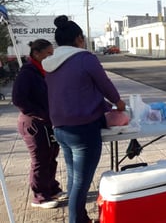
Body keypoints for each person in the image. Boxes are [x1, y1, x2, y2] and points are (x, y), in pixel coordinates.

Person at [42, 15, 126, 223]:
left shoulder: (49, 64)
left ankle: (81, 218)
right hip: (83, 129)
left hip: (60, 128)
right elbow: (103, 84)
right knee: (81, 181)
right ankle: (75, 220)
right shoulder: (84, 58)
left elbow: (79, 90)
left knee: (73, 177)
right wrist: (118, 102)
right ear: (79, 38)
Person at [12, 39, 64, 209]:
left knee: (51, 155)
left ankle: (51, 188)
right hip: (33, 123)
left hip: (48, 121)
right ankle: (40, 196)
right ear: (36, 54)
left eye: (52, 53)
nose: (51, 57)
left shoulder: (44, 71)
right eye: (48, 53)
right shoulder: (27, 73)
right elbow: (18, 99)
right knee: (40, 159)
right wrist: (40, 114)